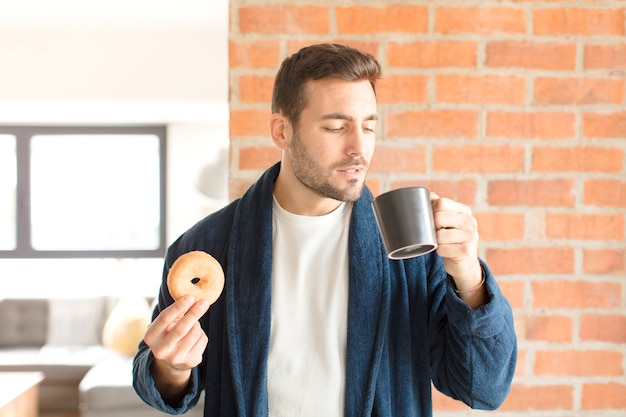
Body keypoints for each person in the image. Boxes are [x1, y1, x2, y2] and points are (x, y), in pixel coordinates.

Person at [133, 43, 517, 417]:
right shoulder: (207, 246)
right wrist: (172, 368)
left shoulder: (414, 250)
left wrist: (469, 276)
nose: (359, 148)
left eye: (369, 127)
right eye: (336, 127)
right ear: (282, 132)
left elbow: (482, 388)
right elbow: (163, 387)